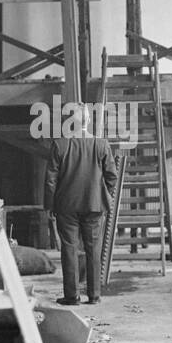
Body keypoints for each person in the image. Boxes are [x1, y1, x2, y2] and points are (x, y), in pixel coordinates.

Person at [44, 107, 118, 306]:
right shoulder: (101, 144)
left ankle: (72, 296)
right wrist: (104, 196)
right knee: (94, 248)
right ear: (87, 121)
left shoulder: (59, 144)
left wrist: (49, 206)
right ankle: (94, 295)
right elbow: (112, 176)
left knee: (69, 248)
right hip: (94, 204)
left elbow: (51, 180)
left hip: (66, 205)